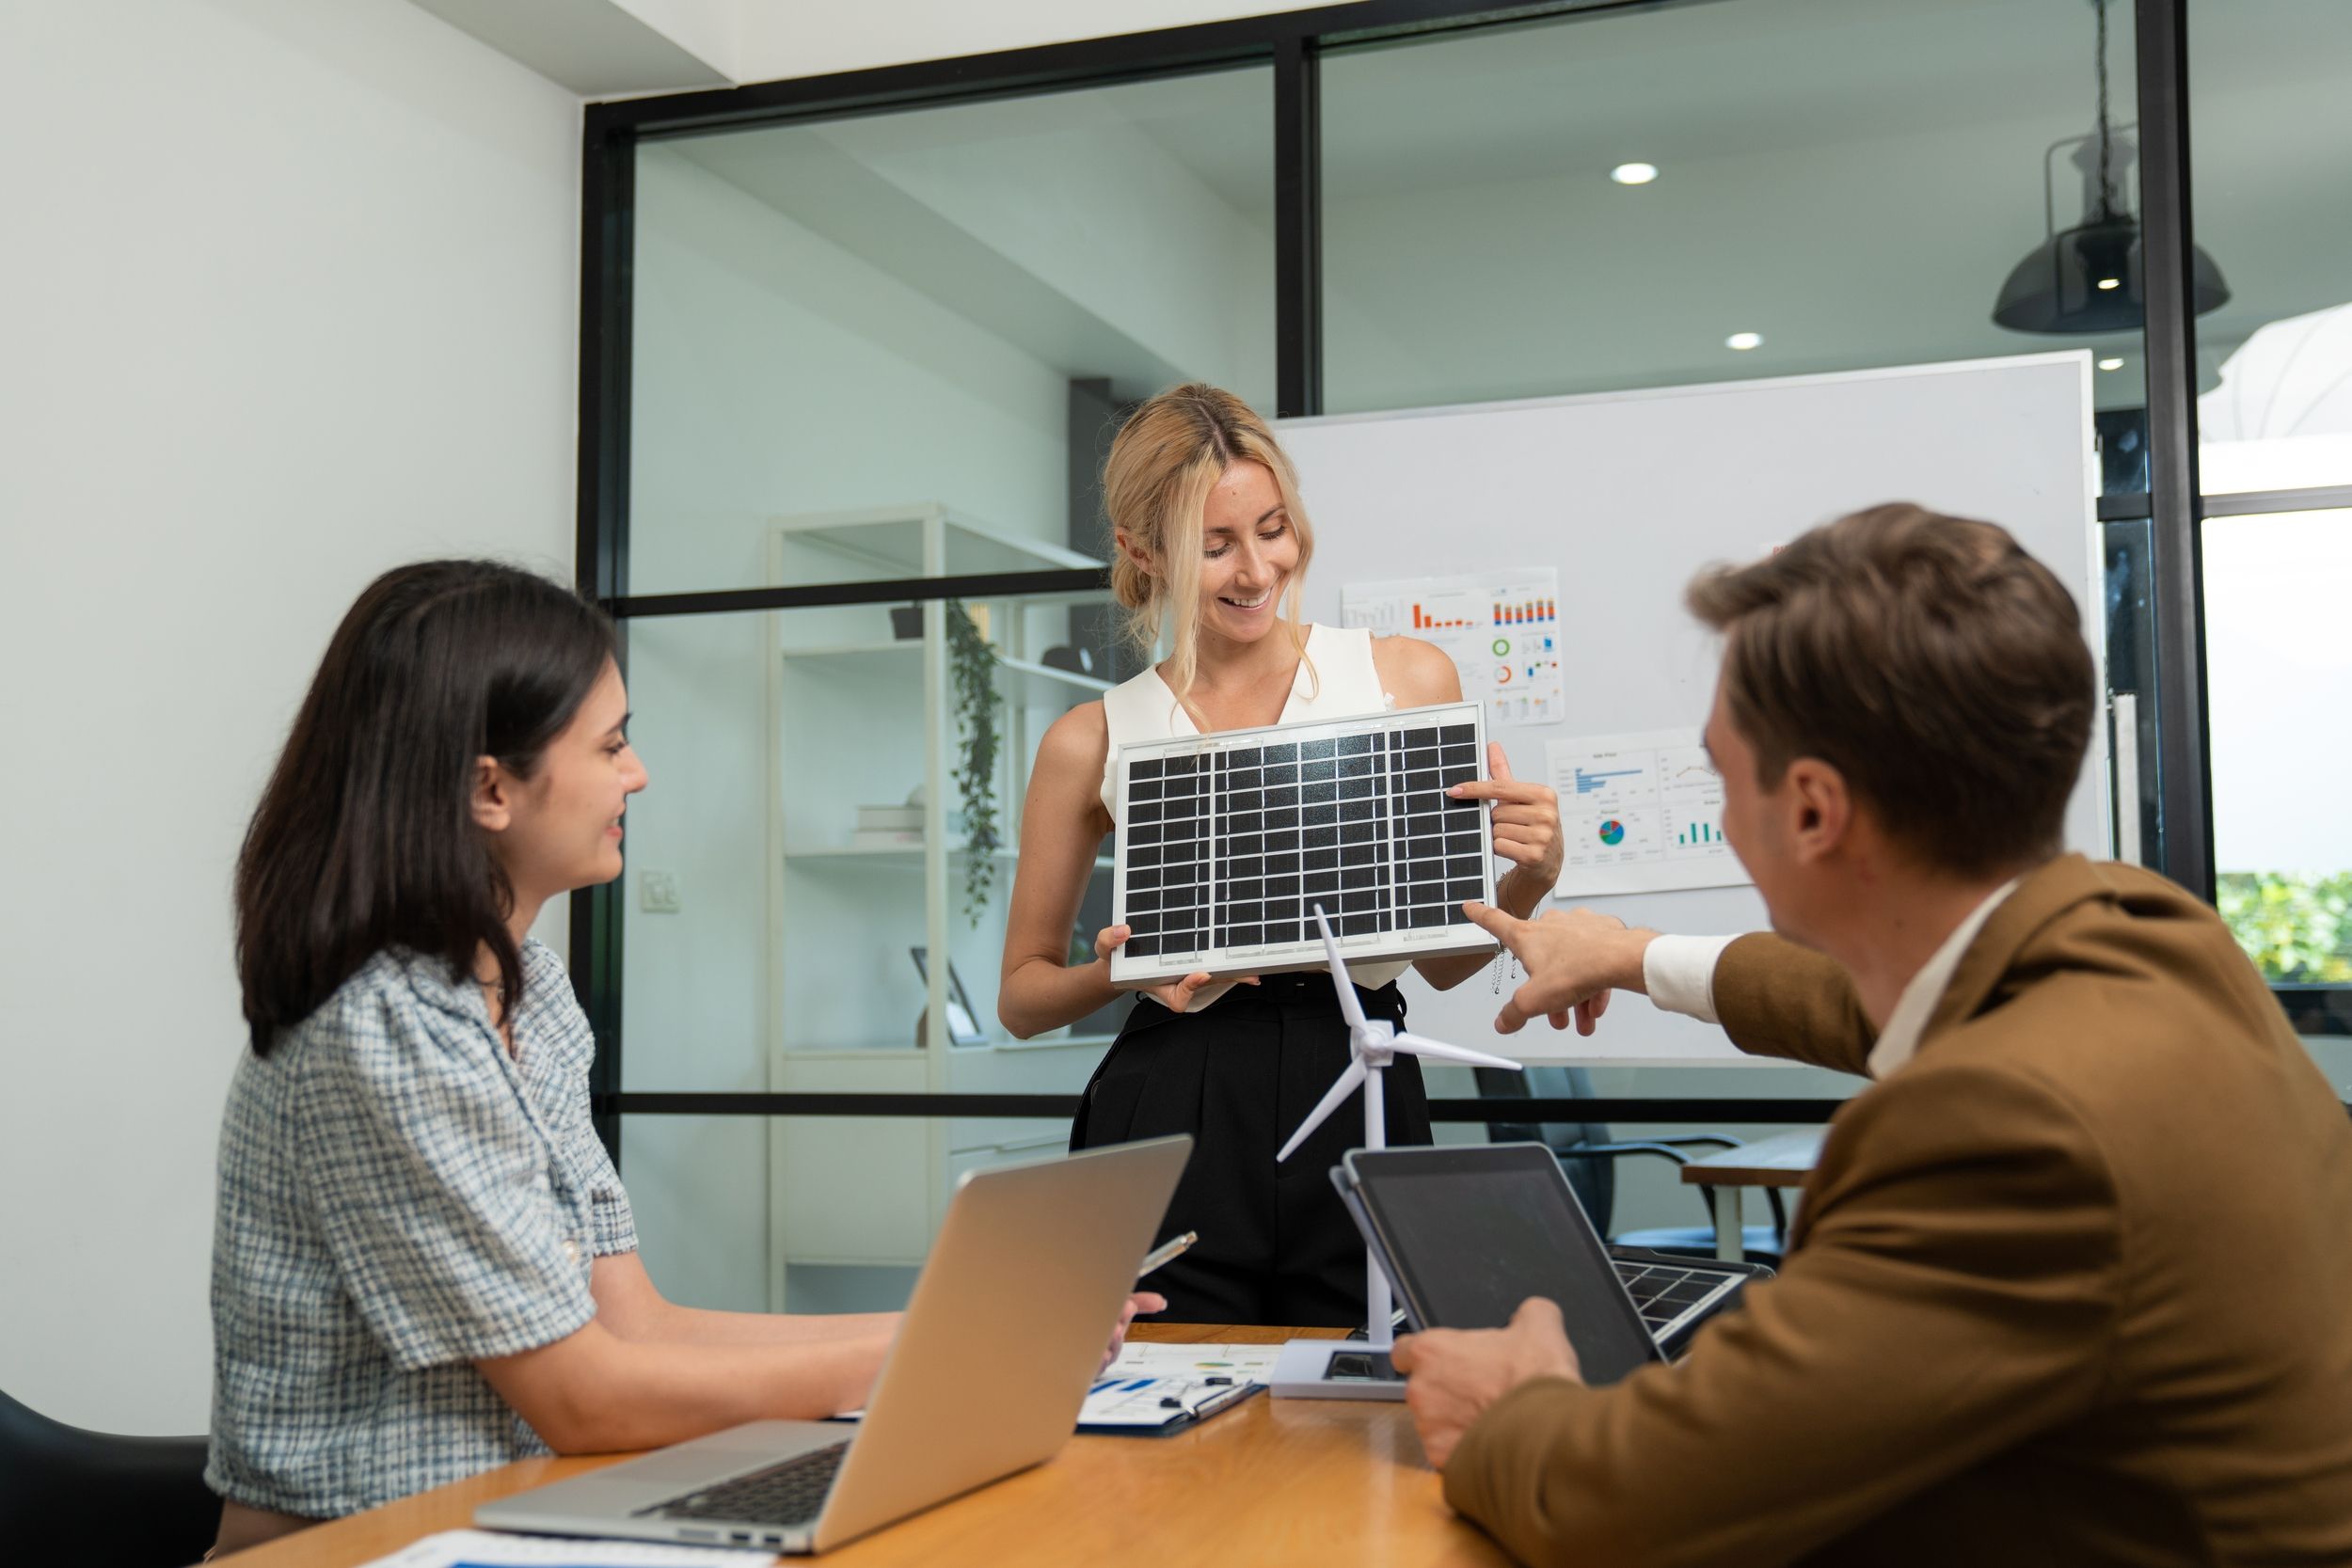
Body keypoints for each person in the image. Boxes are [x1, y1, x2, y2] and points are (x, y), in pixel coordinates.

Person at [1387, 504, 2352, 1564]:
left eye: (1718, 769)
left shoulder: (2006, 1126)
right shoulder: (2143, 934)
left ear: (1810, 810)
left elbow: (1634, 1507)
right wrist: (1630, 952)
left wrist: (1507, 1408)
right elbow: (1882, 999)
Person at [207, 561, 1155, 1557]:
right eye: (611, 743)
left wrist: (977, 1323)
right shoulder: (392, 1024)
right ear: (491, 787)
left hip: (517, 1515)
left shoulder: (527, 988)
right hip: (358, 1544)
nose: (639, 772)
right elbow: (585, 1395)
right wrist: (967, 1344)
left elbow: (637, 1326)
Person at [998, 384, 1566, 1326]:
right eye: (1213, 544)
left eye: (1272, 529)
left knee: (1380, 1387)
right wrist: (1120, 970)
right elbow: (1021, 995)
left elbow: (1442, 955)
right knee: (1162, 1409)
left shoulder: (1403, 679)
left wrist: (1529, 878)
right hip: (1173, 1092)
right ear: (1143, 551)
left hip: (1362, 1066)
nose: (1256, 569)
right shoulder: (1090, 736)